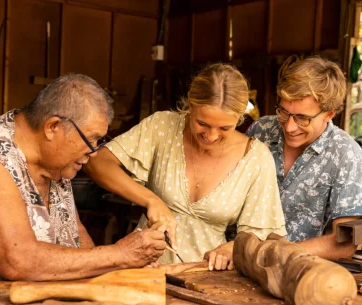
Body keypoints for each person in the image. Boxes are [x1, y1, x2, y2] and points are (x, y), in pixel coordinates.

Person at [85, 63, 286, 269]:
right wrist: (151, 200)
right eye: (202, 124)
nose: (211, 136)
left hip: (205, 277)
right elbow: (97, 162)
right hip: (143, 266)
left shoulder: (256, 158)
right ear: (191, 104)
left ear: (239, 118)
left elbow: (263, 235)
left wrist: (233, 248)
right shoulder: (161, 126)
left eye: (224, 128)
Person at [0, 74, 166, 282]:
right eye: (92, 139)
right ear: (53, 127)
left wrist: (121, 267)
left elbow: (77, 239)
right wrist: (121, 255)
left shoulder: (56, 162)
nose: (94, 152)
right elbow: (16, 261)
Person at [246, 56, 362, 260]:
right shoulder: (261, 130)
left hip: (300, 271)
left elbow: (345, 243)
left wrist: (273, 253)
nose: (289, 127)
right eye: (284, 112)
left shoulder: (347, 155)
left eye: (302, 118)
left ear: (329, 114)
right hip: (237, 259)